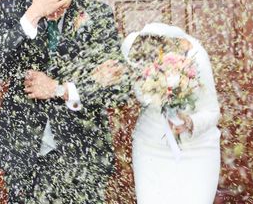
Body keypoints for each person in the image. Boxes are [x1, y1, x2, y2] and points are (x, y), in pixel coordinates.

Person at [0, 0, 127, 204]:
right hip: (24, 153)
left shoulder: (98, 15)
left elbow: (119, 89)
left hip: (83, 154)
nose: (56, 8)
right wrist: (32, 16)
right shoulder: (11, 11)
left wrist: (60, 89)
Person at [94, 22, 221, 204]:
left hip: (197, 150)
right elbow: (117, 94)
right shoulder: (135, 60)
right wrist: (102, 79)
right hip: (150, 148)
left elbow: (213, 111)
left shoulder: (195, 57)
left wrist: (190, 122)